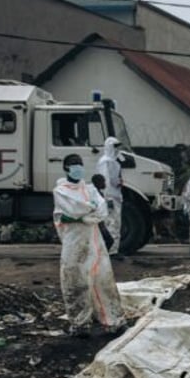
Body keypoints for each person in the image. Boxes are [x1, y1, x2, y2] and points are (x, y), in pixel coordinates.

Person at [53, 154, 124, 334]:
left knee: (103, 279)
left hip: (94, 240)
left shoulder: (89, 189)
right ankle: (80, 324)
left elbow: (101, 210)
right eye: (73, 164)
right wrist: (87, 213)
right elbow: (73, 210)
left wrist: (85, 215)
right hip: (74, 241)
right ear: (66, 168)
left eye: (80, 163)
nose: (77, 167)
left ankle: (113, 320)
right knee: (76, 281)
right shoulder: (61, 190)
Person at [95, 137, 124, 257]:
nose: (117, 149)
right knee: (111, 224)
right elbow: (104, 180)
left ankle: (113, 250)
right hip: (110, 197)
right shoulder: (105, 162)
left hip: (116, 195)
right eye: (115, 146)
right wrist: (107, 199)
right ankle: (110, 252)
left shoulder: (113, 161)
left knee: (115, 223)